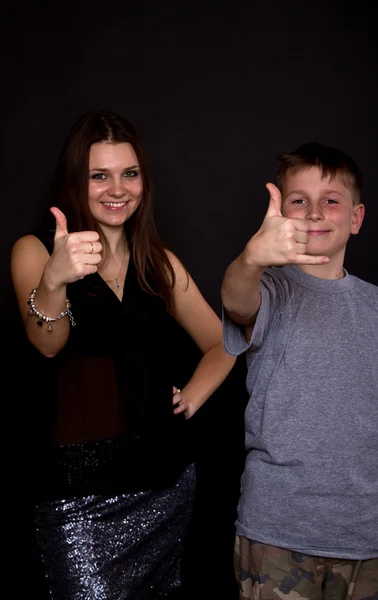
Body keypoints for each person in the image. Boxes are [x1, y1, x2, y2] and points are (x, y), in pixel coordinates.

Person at [10, 110, 236, 600]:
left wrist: (192, 397)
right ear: (77, 179)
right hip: (76, 499)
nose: (117, 188)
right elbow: (46, 342)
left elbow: (225, 342)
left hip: (165, 486)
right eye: (99, 175)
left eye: (129, 174)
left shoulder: (159, 262)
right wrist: (55, 278)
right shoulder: (34, 250)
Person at [221, 142, 378, 600]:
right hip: (280, 528)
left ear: (356, 218)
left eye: (331, 201)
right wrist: (252, 257)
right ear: (282, 212)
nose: (316, 212)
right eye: (299, 200)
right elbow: (235, 300)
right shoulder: (268, 289)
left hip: (373, 529)